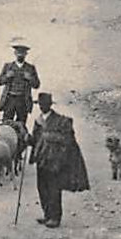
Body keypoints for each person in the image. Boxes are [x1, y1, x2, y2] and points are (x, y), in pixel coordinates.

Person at [29, 92, 90, 228]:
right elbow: (35, 140)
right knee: (42, 188)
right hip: (41, 159)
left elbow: (68, 140)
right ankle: (47, 215)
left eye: (45, 104)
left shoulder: (61, 121)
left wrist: (48, 137)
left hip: (55, 160)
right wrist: (28, 140)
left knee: (53, 188)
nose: (42, 106)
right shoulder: (38, 121)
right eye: (40, 104)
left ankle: (55, 217)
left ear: (50, 105)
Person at [0, 39, 40, 125]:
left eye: (22, 53)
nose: (20, 55)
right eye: (18, 52)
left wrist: (30, 78)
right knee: (6, 124)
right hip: (10, 99)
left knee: (21, 125)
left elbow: (37, 85)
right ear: (15, 53)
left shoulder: (30, 68)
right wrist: (7, 76)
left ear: (26, 54)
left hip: (23, 100)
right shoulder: (8, 66)